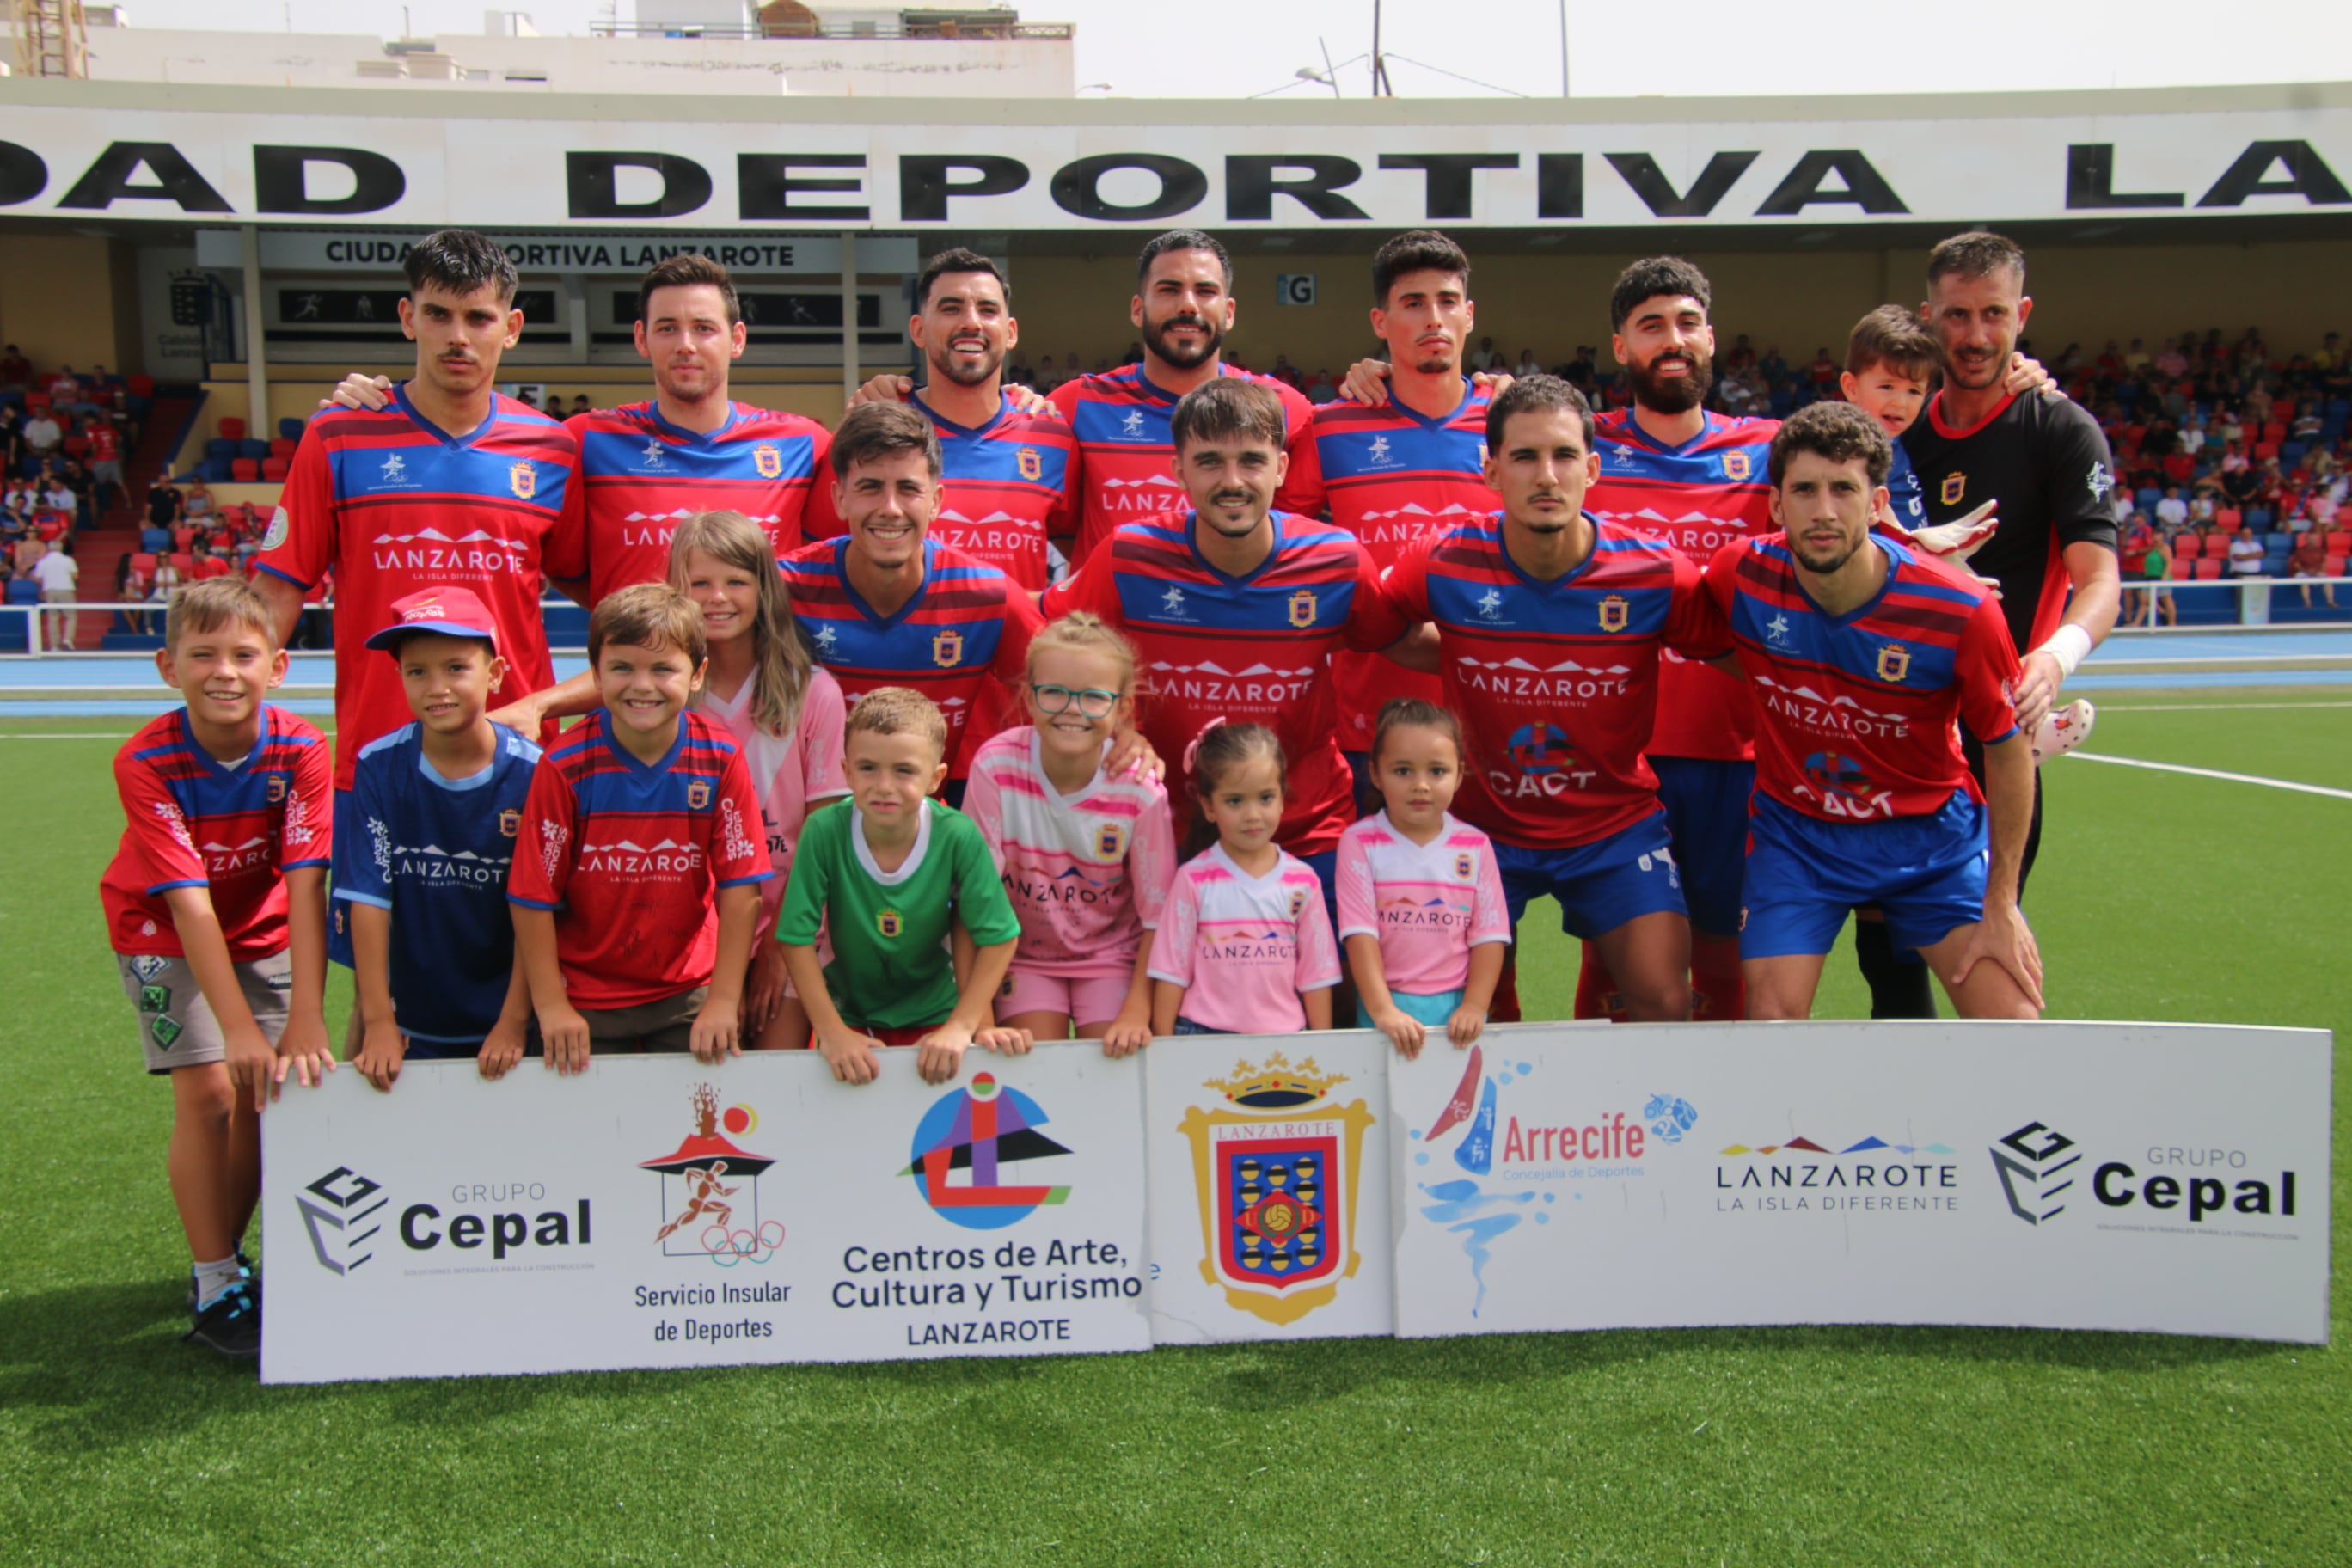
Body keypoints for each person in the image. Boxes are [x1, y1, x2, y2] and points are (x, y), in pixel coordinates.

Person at [254, 228, 585, 981]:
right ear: (407, 318)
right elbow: (278, 588)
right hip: (380, 760)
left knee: (535, 982)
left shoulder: (551, 449)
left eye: (477, 318)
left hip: (521, 765)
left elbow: (605, 596)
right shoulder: (338, 435)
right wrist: (236, 711)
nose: (457, 337)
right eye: (438, 315)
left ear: (512, 326)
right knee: (381, 992)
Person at [1375, 375, 1729, 1022]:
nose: (1546, 476)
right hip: (1479, 824)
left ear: (1592, 469)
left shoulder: (1654, 573)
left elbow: (1746, 653)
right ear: (1490, 470)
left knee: (1664, 998)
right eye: (1524, 457)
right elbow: (1379, 627)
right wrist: (1465, 650)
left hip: (1612, 825)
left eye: (1564, 456)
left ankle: (1625, 1125)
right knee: (1454, 1002)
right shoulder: (1443, 561)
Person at [1706, 402, 2042, 1023]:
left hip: (1932, 842)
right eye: (1804, 490)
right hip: (1798, 838)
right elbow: (1717, 649)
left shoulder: (1962, 609)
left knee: (2014, 1027)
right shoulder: (1740, 575)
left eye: (1844, 489)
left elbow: (2008, 747)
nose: (1824, 510)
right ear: (1777, 505)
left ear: (1878, 501)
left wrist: (2002, 904)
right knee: (1770, 1025)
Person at [1042, 377, 1414, 931]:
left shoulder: (1336, 561)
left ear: (1283, 470)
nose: (1233, 482)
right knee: (1165, 1012)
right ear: (1178, 471)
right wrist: (1114, 726)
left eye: (1252, 461)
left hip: (1306, 830)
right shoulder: (1128, 555)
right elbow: (1053, 639)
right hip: (1170, 833)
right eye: (1210, 462)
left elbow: (1403, 641)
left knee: (1331, 1008)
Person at [99, 577, 335, 1358]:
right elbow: (189, 899)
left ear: (278, 666)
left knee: (263, 1096)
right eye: (203, 655)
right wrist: (237, 1025)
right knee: (208, 1091)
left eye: (243, 653)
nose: (224, 671)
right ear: (169, 667)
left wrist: (306, 1016)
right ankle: (214, 1281)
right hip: (161, 927)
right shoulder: (145, 760)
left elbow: (306, 883)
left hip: (262, 926)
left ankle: (226, 1256)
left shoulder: (301, 747)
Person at [328, 254, 837, 616]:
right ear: (641, 339)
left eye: (704, 328)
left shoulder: (803, 445)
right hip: (634, 704)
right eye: (666, 328)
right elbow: (563, 567)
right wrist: (376, 399)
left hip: (764, 705)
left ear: (737, 339)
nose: (685, 345)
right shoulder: (578, 441)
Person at [1900, 232, 2122, 904]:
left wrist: (2053, 659)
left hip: (1999, 738)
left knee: (1989, 949)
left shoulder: (2060, 429)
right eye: (1958, 314)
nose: (1975, 334)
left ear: (2021, 315)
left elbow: (2102, 581)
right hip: (1897, 731)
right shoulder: (1892, 434)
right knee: (1891, 963)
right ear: (1928, 316)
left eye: (1993, 313)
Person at [506, 583, 771, 1064]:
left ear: (697, 674)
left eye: (663, 669)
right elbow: (532, 895)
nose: (642, 685)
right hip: (585, 999)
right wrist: (551, 1006)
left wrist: (723, 1000)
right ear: (595, 673)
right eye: (622, 668)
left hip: (689, 995)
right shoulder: (564, 766)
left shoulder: (720, 757)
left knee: (702, 1127)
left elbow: (741, 887)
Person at [1279, 230, 1499, 793]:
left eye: (1448, 302)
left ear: (1469, 314)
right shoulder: (1331, 428)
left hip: (1494, 720)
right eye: (1413, 303)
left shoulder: (1512, 423)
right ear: (1380, 322)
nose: (1434, 319)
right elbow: (1275, 549)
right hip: (1368, 728)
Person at [778, 401, 1045, 801]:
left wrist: (1127, 736)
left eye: (908, 489)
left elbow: (1064, 683)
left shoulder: (989, 596)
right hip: (810, 835)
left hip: (930, 834)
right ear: (839, 499)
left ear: (936, 501)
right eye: (870, 487)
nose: (890, 509)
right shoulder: (783, 589)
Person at [338, 586, 542, 1092]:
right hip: (413, 1020)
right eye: (417, 671)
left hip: (515, 1019)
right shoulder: (379, 767)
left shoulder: (535, 773)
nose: (436, 687)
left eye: (456, 668)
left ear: (494, 675)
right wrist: (379, 1020)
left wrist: (515, 1019)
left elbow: (538, 908)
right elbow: (367, 897)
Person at [775, 687, 1027, 1084]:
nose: (884, 785)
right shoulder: (824, 830)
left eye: (904, 771)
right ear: (845, 772)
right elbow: (794, 936)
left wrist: (964, 1026)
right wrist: (832, 1032)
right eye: (868, 768)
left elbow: (1000, 937)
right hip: (849, 1015)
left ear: (936, 778)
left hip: (935, 1019)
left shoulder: (957, 835)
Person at [668, 508, 848, 1053]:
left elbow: (822, 835)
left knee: (776, 1076)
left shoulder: (813, 692)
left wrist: (776, 945)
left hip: (790, 922)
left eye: (735, 582)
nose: (717, 597)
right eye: (699, 583)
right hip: (689, 931)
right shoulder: (665, 697)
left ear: (763, 589)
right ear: (675, 589)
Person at [964, 612, 1177, 1057]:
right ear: (1028, 696)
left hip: (1113, 957)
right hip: (1020, 955)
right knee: (1036, 1064)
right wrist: (978, 1018)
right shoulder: (995, 767)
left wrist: (1138, 1009)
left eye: (1094, 698)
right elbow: (973, 898)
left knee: (1113, 1063)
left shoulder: (1140, 791)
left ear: (1122, 708)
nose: (1072, 710)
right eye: (1054, 692)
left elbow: (1157, 915)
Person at [1051, 230, 1318, 565]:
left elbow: (1294, 527)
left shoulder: (1287, 408)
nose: (1188, 305)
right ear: (1138, 308)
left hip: (1233, 615)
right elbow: (1060, 529)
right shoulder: (1075, 405)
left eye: (1205, 291)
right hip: (1112, 615)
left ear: (1230, 312)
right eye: (1169, 290)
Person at [839, 248, 1081, 592]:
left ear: (1010, 332)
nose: (971, 322)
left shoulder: (1051, 433)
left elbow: (1082, 554)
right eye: (951, 308)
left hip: (1018, 646)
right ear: (918, 330)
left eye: (988, 310)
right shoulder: (876, 424)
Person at [1336, 698, 1507, 1057]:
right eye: (1403, 771)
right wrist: (1383, 1011)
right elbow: (1359, 935)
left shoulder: (1475, 846)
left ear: (1459, 775)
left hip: (1457, 1014)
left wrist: (1474, 1007)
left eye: (1437, 771)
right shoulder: (1359, 842)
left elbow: (1489, 935)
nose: (1421, 785)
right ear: (1376, 774)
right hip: (1384, 1009)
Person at [1148, 720, 1341, 1036]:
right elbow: (1172, 971)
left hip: (1285, 1041)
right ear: (1209, 806)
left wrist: (1319, 1044)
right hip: (1202, 1037)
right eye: (1235, 801)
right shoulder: (1193, 879)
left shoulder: (1303, 882)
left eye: (1265, 798)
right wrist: (1165, 1047)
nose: (1252, 814)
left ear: (1282, 799)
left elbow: (1316, 974)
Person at [32, 531, 77, 647]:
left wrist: (46, 584)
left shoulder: (43, 562)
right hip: (66, 589)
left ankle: (54, 645)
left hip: (50, 590)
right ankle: (67, 638)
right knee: (70, 615)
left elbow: (37, 578)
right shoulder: (68, 560)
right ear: (61, 548)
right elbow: (75, 576)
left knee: (53, 618)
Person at [2288, 528, 2336, 608]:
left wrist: (2318, 571)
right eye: (2314, 539)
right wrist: (2307, 571)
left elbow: (2324, 564)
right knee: (2304, 581)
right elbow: (2296, 565)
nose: (2316, 541)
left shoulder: (2320, 550)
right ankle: (2307, 603)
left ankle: (2330, 602)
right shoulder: (2300, 551)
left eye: (2317, 539)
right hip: (2303, 572)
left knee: (2328, 581)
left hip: (2317, 572)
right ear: (2308, 540)